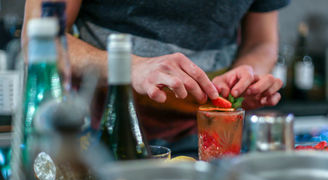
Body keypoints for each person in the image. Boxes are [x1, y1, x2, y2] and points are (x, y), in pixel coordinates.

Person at [22, 0, 289, 156]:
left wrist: (247, 74)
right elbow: (37, 38)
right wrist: (129, 68)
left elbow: (262, 43)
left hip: (212, 142)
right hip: (100, 137)